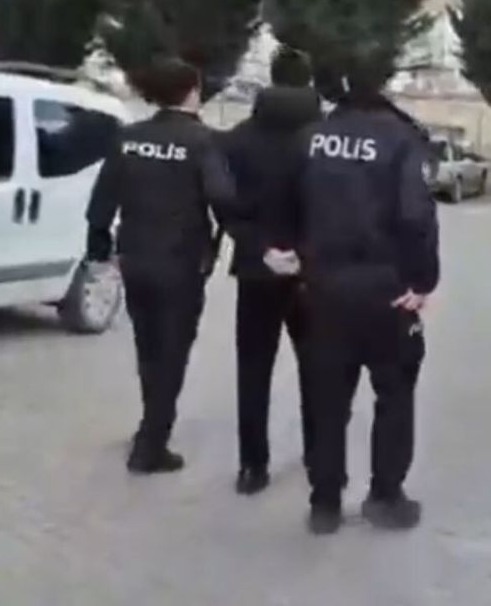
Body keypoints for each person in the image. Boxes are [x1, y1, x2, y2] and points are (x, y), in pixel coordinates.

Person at [274, 76, 439, 534]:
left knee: (326, 399)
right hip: (387, 291)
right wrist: (422, 280)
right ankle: (385, 496)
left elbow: (283, 205)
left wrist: (292, 253)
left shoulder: (308, 139)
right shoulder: (401, 140)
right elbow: (416, 215)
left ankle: (325, 503)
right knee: (394, 394)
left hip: (322, 288)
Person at [85, 57, 238, 475]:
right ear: (192, 91)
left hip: (135, 258)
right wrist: (242, 236)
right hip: (181, 263)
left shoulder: (129, 137)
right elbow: (223, 197)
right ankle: (151, 443)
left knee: (148, 347)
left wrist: (98, 243)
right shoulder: (202, 141)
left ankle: (150, 424)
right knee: (173, 351)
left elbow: (103, 196)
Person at [217, 47, 323, 496]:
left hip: (256, 269)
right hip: (313, 274)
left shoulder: (237, 140)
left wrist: (260, 246)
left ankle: (252, 467)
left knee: (253, 369)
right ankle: (318, 453)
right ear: (308, 81)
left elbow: (223, 203)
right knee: (317, 367)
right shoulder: (325, 140)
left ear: (271, 78)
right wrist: (305, 252)